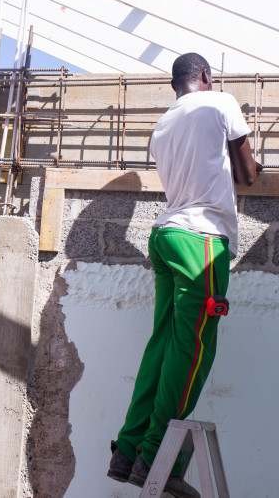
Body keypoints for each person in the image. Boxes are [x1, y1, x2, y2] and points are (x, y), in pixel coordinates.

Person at [107, 53, 260, 498]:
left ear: (176, 84)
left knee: (162, 344)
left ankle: (128, 449)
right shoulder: (219, 102)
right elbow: (247, 174)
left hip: (166, 235)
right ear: (206, 78)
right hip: (201, 242)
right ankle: (156, 456)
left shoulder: (162, 127)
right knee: (193, 351)